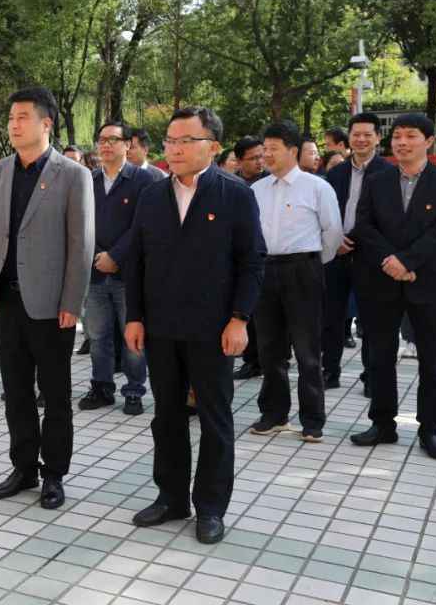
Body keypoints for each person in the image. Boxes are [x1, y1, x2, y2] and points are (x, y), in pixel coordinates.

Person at [124, 106, 265, 544]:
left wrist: (239, 319)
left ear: (213, 146)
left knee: (214, 417)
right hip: (161, 327)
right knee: (166, 415)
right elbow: (137, 261)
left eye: (186, 140)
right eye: (170, 140)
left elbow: (252, 261)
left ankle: (211, 507)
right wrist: (134, 316)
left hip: (213, 328)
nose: (175, 149)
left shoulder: (234, 194)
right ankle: (171, 497)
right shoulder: (152, 195)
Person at [0, 86, 93, 511]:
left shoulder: (72, 175)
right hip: (7, 301)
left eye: (23, 117)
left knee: (56, 394)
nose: (14, 124)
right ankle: (23, 466)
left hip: (51, 306)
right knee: (16, 391)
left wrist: (72, 302)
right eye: (11, 117)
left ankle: (54, 473)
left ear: (46, 123)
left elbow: (81, 244)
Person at [350, 113, 436, 461]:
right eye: (397, 136)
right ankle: (382, 423)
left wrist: (408, 262)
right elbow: (364, 225)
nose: (401, 142)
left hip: (428, 282)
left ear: (429, 141)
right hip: (382, 280)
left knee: (432, 360)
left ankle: (431, 429)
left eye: (411, 136)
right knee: (380, 356)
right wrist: (391, 261)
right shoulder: (377, 180)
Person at [249, 122, 343, 443]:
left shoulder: (316, 187)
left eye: (273, 149)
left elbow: (333, 233)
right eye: (264, 149)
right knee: (270, 348)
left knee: (307, 349)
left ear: (292, 150)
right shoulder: (256, 190)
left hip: (303, 270)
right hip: (265, 271)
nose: (266, 155)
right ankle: (273, 413)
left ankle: (312, 419)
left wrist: (313, 263)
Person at [78, 121, 155, 415]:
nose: (106, 145)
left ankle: (134, 391)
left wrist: (116, 256)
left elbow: (142, 226)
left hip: (129, 274)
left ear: (127, 144)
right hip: (95, 272)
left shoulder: (143, 180)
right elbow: (81, 222)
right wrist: (98, 255)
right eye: (102, 140)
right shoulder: (89, 180)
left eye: (113, 139)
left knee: (132, 335)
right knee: (98, 336)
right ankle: (102, 387)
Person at [322, 113, 393, 392]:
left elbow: (388, 219)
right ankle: (330, 371)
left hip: (371, 256)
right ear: (349, 138)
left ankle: (370, 376)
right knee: (331, 316)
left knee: (371, 320)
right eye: (356, 134)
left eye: (367, 134)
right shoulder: (335, 173)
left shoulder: (389, 173)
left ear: (377, 138)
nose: (361, 139)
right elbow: (325, 213)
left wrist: (357, 239)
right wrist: (334, 240)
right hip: (336, 253)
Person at [232, 135, 268, 382]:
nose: (259, 162)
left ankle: (271, 358)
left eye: (261, 156)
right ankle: (252, 360)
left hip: (267, 258)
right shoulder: (232, 186)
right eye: (253, 158)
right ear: (239, 161)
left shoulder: (271, 182)